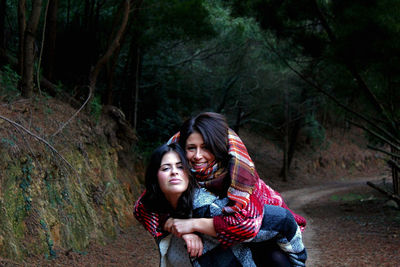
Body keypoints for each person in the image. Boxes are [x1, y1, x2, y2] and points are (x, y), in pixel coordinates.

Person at [135, 112, 307, 266]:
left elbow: (248, 226)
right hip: (229, 244)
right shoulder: (181, 171)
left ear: (219, 147)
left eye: (206, 147)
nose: (197, 156)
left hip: (268, 236)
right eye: (191, 148)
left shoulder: (239, 174)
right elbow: (146, 206)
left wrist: (191, 224)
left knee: (273, 258)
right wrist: (176, 227)